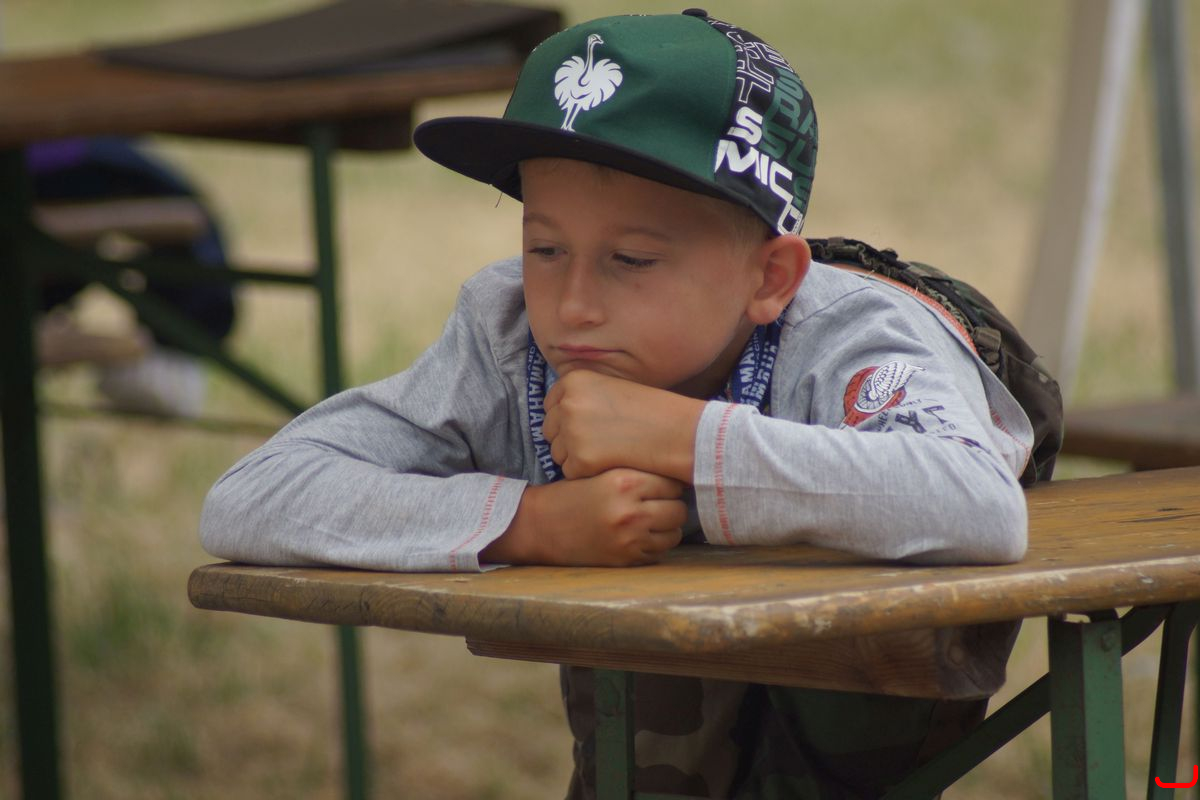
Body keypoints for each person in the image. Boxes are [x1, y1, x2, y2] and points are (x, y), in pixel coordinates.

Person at [200, 10, 1031, 798]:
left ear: (770, 277)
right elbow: (253, 496)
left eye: (631, 259)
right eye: (544, 247)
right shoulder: (506, 332)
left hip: (871, 611)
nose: (572, 307)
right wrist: (531, 523)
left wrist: (683, 437)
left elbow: (977, 502)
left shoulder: (849, 337)